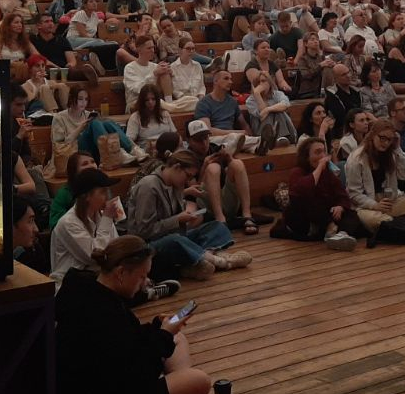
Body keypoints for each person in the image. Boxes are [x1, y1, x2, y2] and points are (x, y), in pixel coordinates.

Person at [55, 235, 229, 394]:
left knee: (177, 338)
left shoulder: (92, 292)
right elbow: (135, 375)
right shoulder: (102, 314)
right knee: (198, 380)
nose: (145, 282)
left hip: (108, 387)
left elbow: (128, 341)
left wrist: (158, 328)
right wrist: (163, 335)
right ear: (121, 273)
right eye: (142, 276)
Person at [125, 148, 250, 280]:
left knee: (218, 226)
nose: (188, 181)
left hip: (176, 235)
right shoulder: (149, 186)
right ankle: (220, 261)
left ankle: (198, 261)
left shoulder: (175, 184)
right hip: (150, 246)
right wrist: (177, 219)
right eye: (188, 176)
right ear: (177, 167)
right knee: (175, 240)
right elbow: (143, 231)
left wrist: (186, 217)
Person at [269, 137, 363, 249]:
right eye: (318, 152)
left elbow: (342, 194)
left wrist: (340, 206)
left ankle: (341, 235)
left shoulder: (327, 173)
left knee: (351, 214)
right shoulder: (297, 172)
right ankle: (330, 228)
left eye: (324, 152)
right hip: (304, 219)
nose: (322, 156)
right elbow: (304, 190)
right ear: (307, 157)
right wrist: (319, 168)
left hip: (325, 214)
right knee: (308, 201)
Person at [344, 120, 405, 233]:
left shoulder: (391, 153)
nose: (386, 143)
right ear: (372, 135)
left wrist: (397, 148)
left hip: (389, 202)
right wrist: (375, 205)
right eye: (382, 138)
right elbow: (354, 194)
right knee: (372, 219)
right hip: (367, 206)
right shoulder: (356, 158)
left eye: (390, 139)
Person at [127, 83, 178, 149]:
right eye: (147, 100)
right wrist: (139, 151)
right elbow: (129, 140)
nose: (150, 102)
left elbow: (175, 134)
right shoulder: (135, 117)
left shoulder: (165, 114)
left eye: (153, 99)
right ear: (142, 101)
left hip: (168, 148)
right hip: (148, 150)